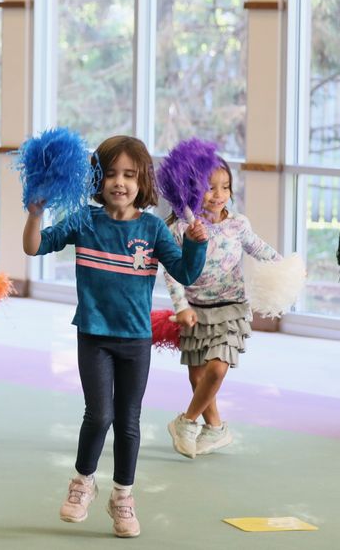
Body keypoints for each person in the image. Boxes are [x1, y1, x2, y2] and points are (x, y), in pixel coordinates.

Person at [23, 135, 207, 538]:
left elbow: (187, 275)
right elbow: (35, 247)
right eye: (110, 174)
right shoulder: (83, 220)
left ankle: (122, 496)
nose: (119, 183)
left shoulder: (154, 228)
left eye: (129, 174)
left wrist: (196, 245)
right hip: (93, 335)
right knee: (99, 414)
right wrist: (35, 215)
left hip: (135, 340)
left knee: (128, 421)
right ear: (96, 179)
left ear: (143, 181)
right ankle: (82, 483)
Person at [163, 156, 280, 458]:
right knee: (197, 377)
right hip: (196, 310)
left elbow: (257, 247)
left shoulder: (238, 224)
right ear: (190, 189)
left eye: (225, 187)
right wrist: (181, 307)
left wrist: (286, 267)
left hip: (231, 307)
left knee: (217, 368)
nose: (219, 195)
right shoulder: (181, 228)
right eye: (210, 188)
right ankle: (215, 428)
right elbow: (172, 271)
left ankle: (186, 421)